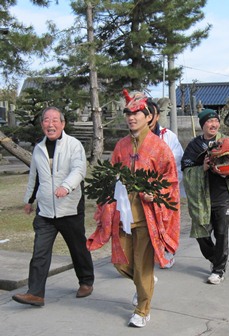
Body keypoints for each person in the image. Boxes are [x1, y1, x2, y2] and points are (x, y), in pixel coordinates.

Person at [87, 91, 180, 328]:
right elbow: (110, 176)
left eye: (137, 112)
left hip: (146, 217)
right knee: (121, 263)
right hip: (122, 216)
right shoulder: (121, 146)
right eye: (128, 113)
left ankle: (142, 309)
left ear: (149, 117)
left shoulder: (160, 148)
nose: (131, 117)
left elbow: (170, 181)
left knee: (142, 265)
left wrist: (155, 194)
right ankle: (145, 283)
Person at [12, 107, 94, 307]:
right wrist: (29, 201)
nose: (50, 124)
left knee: (77, 248)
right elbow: (35, 177)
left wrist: (66, 187)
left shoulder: (73, 145)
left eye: (55, 120)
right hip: (46, 211)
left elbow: (79, 170)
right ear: (42, 125)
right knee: (39, 252)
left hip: (70, 208)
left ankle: (86, 281)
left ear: (63, 124)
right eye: (46, 120)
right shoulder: (38, 148)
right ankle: (36, 293)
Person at [181, 109, 229, 285]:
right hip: (202, 199)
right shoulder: (194, 146)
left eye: (216, 121)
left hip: (223, 196)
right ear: (202, 125)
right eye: (209, 121)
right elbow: (186, 171)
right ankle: (215, 258)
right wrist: (203, 168)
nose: (213, 124)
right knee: (201, 235)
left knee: (222, 234)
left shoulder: (228, 141)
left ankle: (219, 270)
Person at [147, 100, 184, 269]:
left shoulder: (168, 136)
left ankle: (167, 251)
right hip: (141, 188)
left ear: (156, 116)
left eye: (149, 113)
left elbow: (176, 161)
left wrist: (163, 184)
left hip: (165, 186)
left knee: (166, 220)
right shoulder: (132, 138)